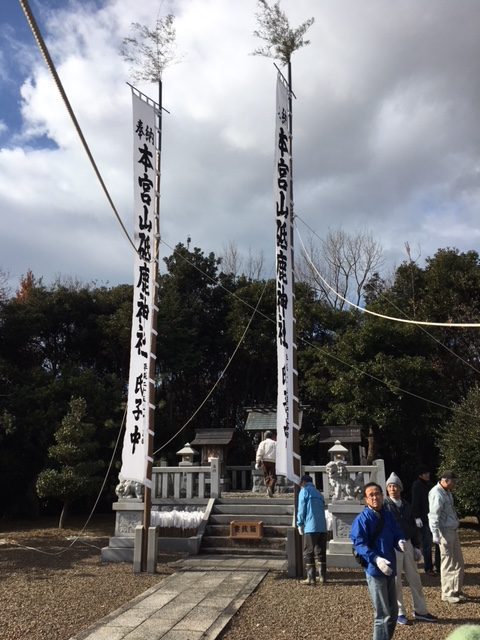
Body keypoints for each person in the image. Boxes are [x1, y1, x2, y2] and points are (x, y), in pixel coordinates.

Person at [351, 482, 406, 640]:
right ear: (366, 499)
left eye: (377, 493)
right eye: (371, 495)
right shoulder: (362, 519)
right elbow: (359, 543)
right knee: (382, 614)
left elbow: (396, 532)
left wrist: (400, 541)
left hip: (390, 567)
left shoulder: (387, 514)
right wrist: (376, 558)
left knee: (393, 612)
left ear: (383, 495)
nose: (375, 497)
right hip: (375, 569)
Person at [384, 472, 437, 625]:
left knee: (415, 578)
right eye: (390, 486)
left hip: (407, 542)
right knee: (396, 581)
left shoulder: (406, 505)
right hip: (393, 545)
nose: (392, 489)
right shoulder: (385, 505)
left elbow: (413, 526)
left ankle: (421, 610)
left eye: (395, 486)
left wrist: (416, 545)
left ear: (400, 488)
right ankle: (399, 612)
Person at [428, 470, 466, 604]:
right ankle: (447, 593)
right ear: (446, 480)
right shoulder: (436, 493)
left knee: (458, 562)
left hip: (452, 530)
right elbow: (433, 515)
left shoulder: (447, 492)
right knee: (448, 563)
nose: (455, 484)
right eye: (454, 481)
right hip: (444, 532)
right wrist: (435, 533)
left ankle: (456, 590)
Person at [297, 474, 327, 585]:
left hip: (310, 526)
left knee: (308, 552)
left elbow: (301, 509)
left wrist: (299, 524)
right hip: (322, 527)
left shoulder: (304, 491)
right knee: (320, 552)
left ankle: (311, 578)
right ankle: (323, 577)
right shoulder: (319, 493)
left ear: (303, 482)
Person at [411, 465, 440, 575]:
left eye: (428, 473)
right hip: (423, 519)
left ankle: (438, 566)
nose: (427, 475)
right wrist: (416, 516)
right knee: (427, 544)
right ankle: (428, 568)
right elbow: (415, 502)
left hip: (433, 517)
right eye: (425, 473)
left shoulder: (431, 485)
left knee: (437, 543)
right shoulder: (417, 485)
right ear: (420, 475)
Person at [255, 430, 277, 497]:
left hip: (264, 461)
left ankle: (269, 490)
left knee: (266, 476)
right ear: (272, 436)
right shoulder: (276, 443)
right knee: (273, 477)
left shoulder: (263, 443)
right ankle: (270, 489)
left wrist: (257, 461)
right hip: (273, 461)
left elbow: (260, 452)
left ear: (265, 436)